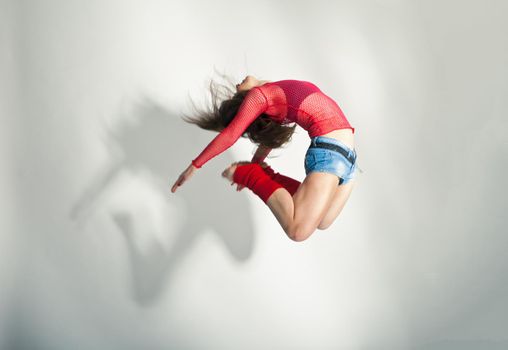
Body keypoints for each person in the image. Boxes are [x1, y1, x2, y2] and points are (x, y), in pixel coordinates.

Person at [171, 75, 359, 242]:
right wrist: (195, 165)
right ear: (245, 102)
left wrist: (257, 162)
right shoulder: (260, 95)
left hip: (349, 160)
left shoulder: (278, 97)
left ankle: (261, 172)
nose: (236, 87)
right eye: (237, 98)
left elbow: (269, 140)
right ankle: (249, 175)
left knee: (323, 221)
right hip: (331, 153)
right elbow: (231, 134)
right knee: (298, 231)